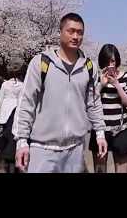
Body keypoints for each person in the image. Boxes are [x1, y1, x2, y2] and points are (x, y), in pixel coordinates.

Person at [13, 13, 107, 173]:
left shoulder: (89, 67)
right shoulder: (42, 63)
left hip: (75, 148)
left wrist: (100, 133)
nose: (76, 36)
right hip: (42, 148)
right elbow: (26, 102)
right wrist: (21, 141)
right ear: (60, 32)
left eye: (80, 32)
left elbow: (93, 103)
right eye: (71, 31)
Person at [89, 44, 127, 173]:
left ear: (117, 60)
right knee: (100, 170)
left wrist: (116, 84)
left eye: (113, 61)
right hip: (99, 130)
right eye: (106, 61)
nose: (110, 64)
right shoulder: (96, 78)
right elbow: (90, 101)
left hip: (120, 130)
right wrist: (101, 85)